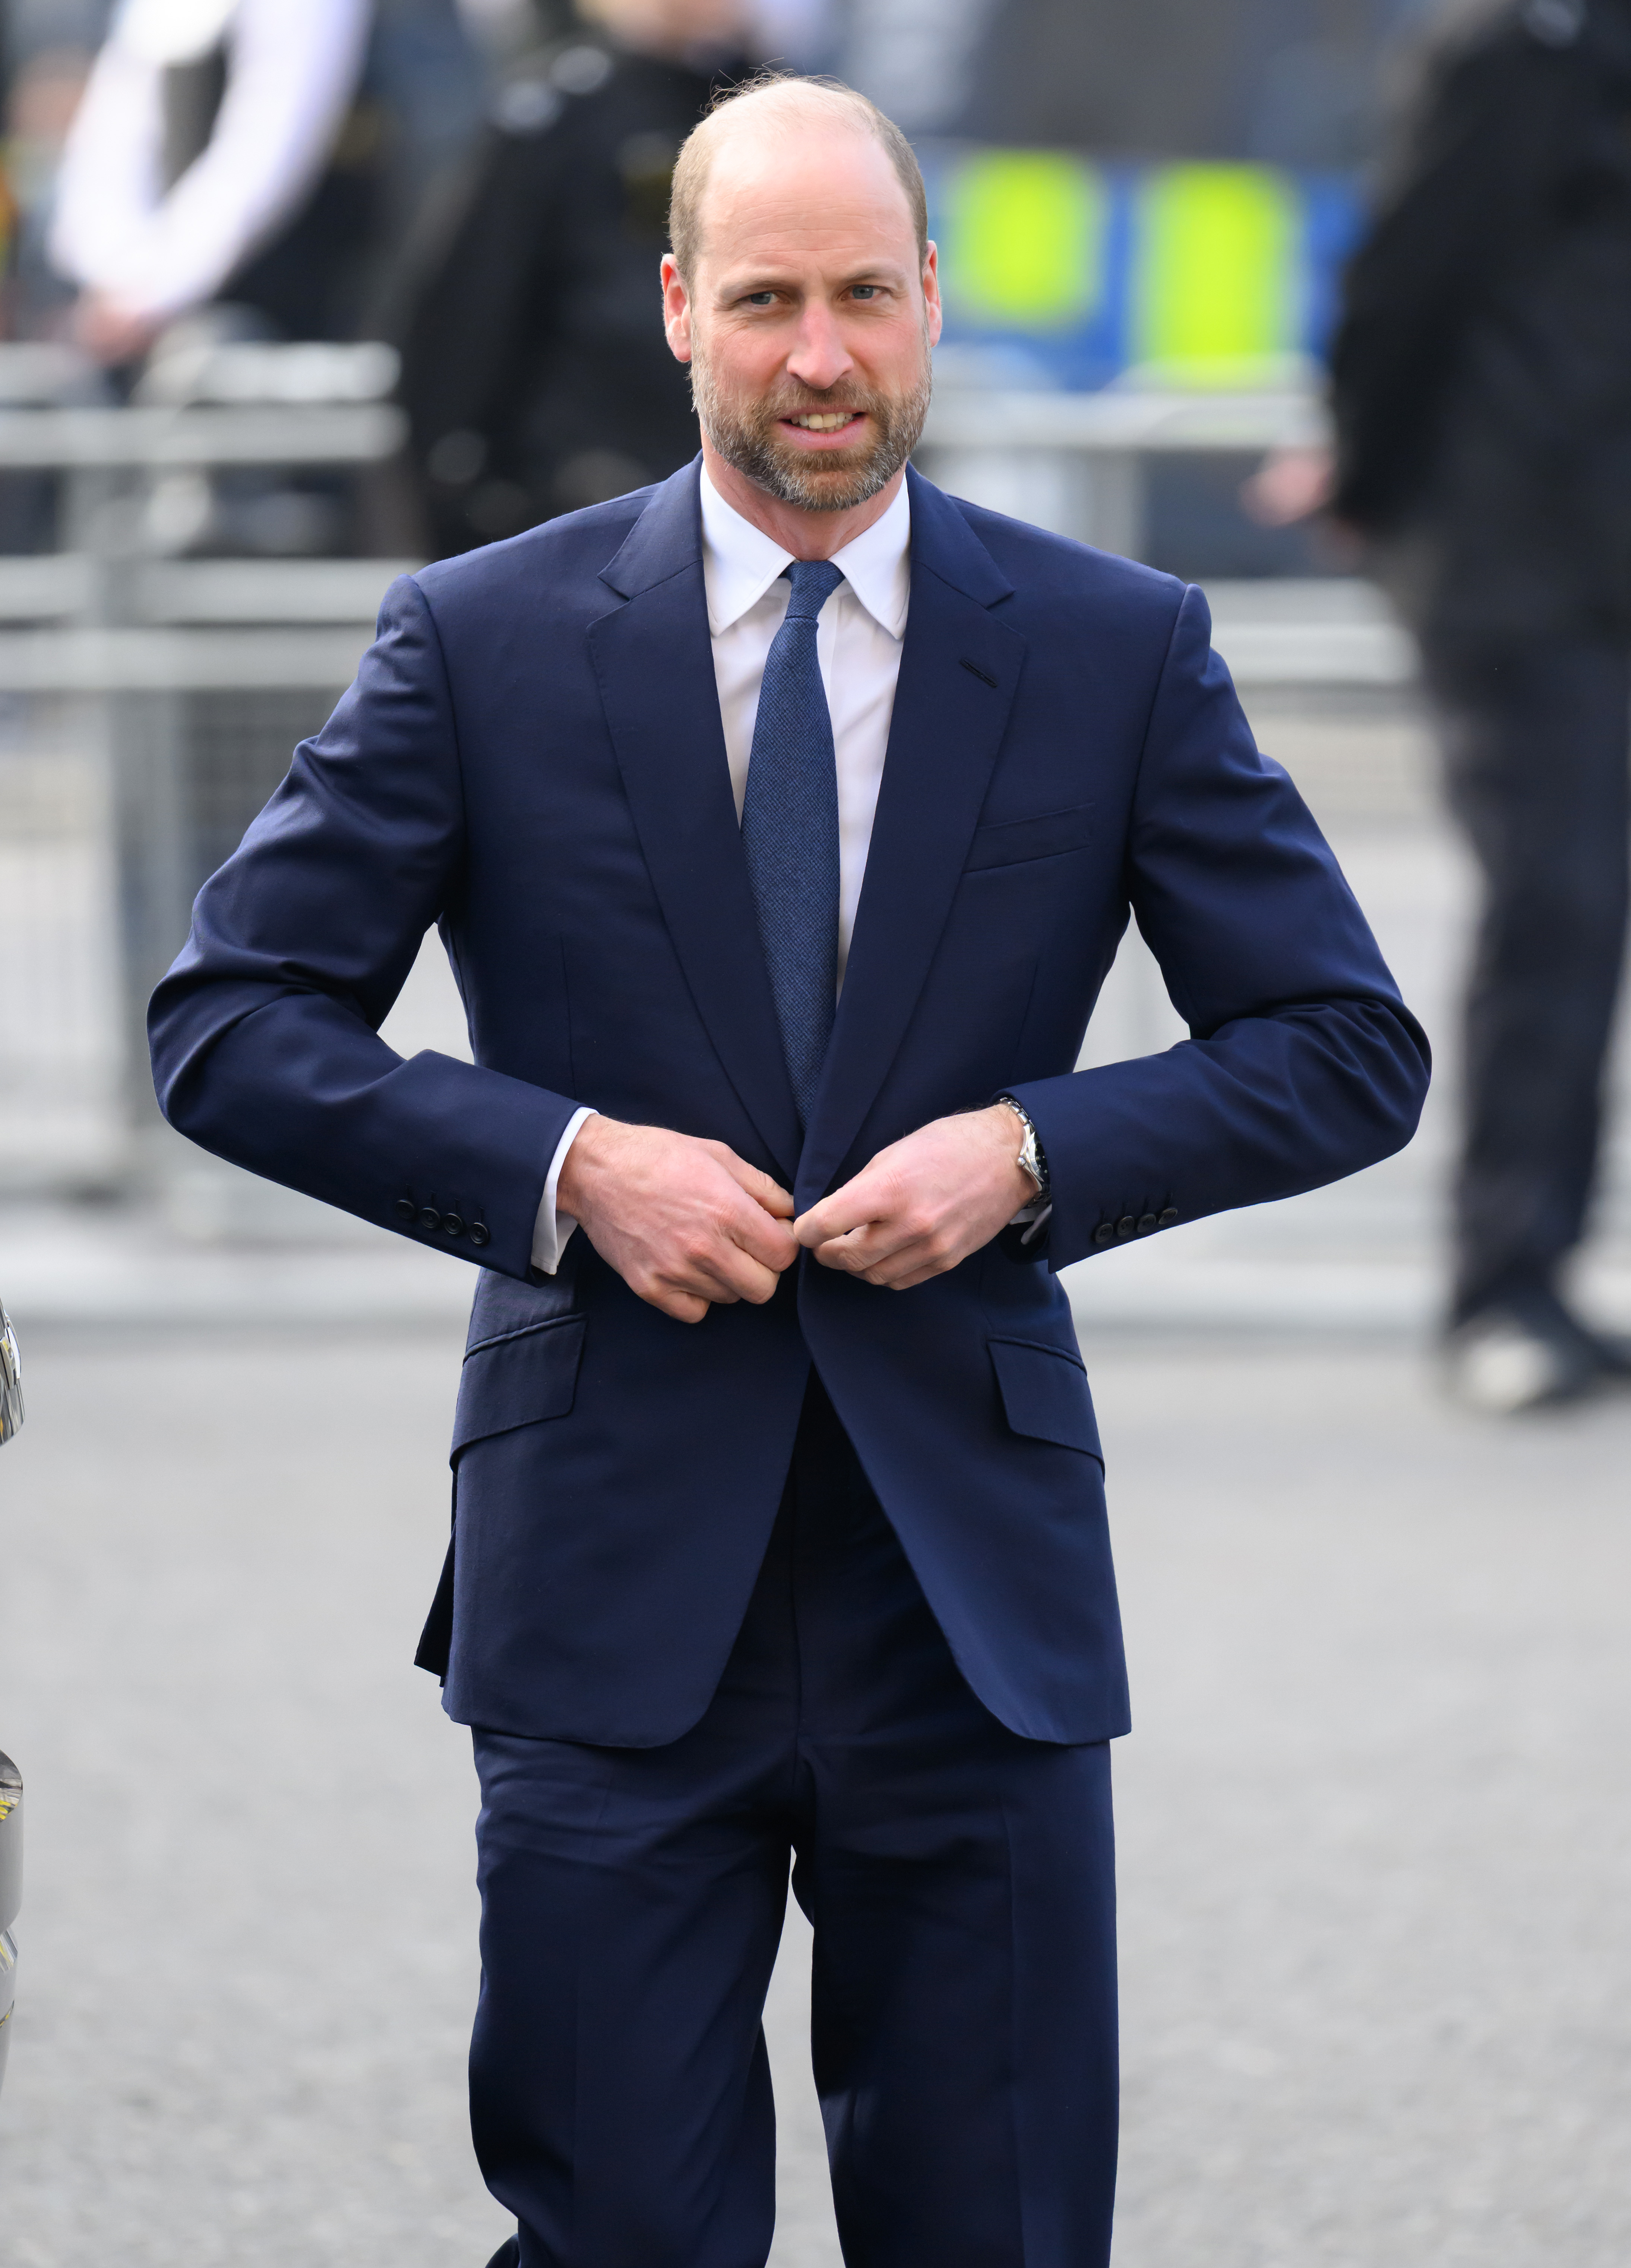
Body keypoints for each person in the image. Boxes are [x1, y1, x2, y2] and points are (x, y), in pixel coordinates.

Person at [148, 72, 1429, 2268]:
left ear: (934, 300)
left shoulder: (1118, 649)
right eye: (762, 301)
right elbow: (230, 1019)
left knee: (1002, 2235)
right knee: (617, 2237)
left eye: (861, 296)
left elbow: (1344, 1045)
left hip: (973, 1607)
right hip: (610, 1580)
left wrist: (1033, 1152)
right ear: (676, 310)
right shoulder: (479, 640)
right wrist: (566, 1163)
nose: (816, 356)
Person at [1327, 0, 1631, 1410]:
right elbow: (1410, 275)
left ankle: (1537, 1269)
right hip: (1521, 562)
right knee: (1555, 908)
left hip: (1593, 557)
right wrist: (1369, 485)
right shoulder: (1523, 41)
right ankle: (1501, 1283)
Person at [398, 0, 752, 555]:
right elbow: (466, 321)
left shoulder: (778, 116)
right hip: (588, 496)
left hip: (749, 492)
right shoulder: (558, 117)